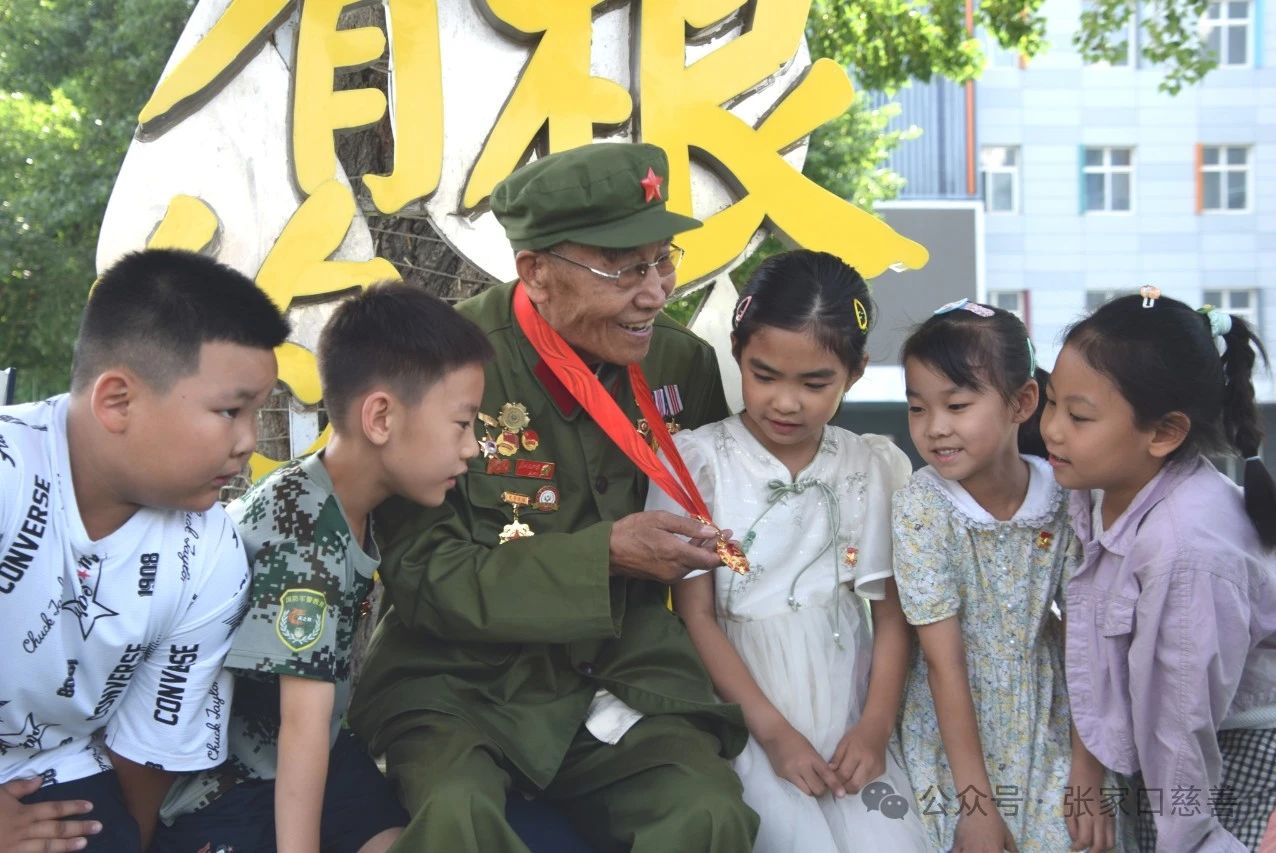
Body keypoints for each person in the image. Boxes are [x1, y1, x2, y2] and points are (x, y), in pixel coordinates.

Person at [348, 143, 758, 852]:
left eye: (662, 260)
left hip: (621, 672)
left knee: (707, 813)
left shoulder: (678, 364)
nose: (654, 293)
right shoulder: (445, 369)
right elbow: (422, 573)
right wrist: (605, 556)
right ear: (536, 273)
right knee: (456, 815)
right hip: (458, 684)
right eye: (624, 268)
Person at [153, 283, 491, 852]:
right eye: (462, 424)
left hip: (321, 755)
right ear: (380, 418)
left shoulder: (344, 495)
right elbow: (301, 728)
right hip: (230, 784)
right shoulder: (307, 539)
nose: (473, 447)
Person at [0, 248, 288, 851]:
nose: (248, 441)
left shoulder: (211, 554)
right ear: (117, 402)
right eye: (230, 410)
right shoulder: (9, 475)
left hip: (56, 771)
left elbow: (148, 749)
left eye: (257, 412)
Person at [644, 251, 930, 852]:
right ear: (737, 352)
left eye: (815, 383)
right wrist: (772, 733)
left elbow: (890, 614)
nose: (785, 402)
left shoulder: (871, 465)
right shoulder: (697, 464)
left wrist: (875, 727)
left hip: (849, 699)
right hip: (746, 702)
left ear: (855, 372)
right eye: (765, 375)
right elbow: (697, 615)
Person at [1042, 291, 1276, 851]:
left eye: (1078, 416)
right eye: (1051, 403)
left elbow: (1180, 725)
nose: (1051, 429)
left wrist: (1187, 840)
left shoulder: (1186, 549)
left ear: (1165, 433)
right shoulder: (1108, 484)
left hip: (1230, 755)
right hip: (1176, 752)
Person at [892, 299, 1101, 852]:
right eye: (917, 408)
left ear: (1022, 402)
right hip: (953, 736)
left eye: (957, 405)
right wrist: (976, 805)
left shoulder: (1066, 496)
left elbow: (1085, 639)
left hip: (1052, 715)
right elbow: (944, 663)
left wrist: (1089, 771)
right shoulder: (922, 505)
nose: (935, 428)